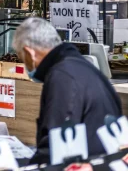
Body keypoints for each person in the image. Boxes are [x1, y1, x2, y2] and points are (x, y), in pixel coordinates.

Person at [13, 18, 121, 164]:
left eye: (22, 58)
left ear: (29, 53)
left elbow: (57, 141)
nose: (25, 65)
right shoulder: (85, 68)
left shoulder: (62, 76)